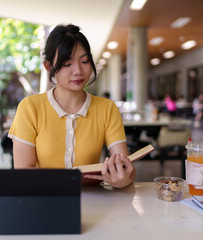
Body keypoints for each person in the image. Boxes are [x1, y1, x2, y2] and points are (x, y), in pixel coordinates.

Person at [8, 24, 135, 188]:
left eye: (84, 61)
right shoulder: (30, 107)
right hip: (44, 198)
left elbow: (126, 168)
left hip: (92, 200)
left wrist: (124, 178)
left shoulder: (107, 108)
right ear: (49, 67)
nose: (78, 71)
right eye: (67, 63)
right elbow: (23, 172)